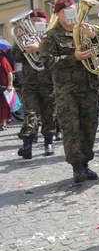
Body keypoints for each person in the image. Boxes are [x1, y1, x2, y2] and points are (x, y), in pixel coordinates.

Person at [39, 0, 99, 184]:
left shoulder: (82, 32)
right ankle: (77, 167)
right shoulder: (51, 36)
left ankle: (86, 163)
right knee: (72, 129)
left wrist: (94, 38)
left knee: (89, 127)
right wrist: (73, 57)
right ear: (57, 14)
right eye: (65, 10)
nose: (70, 13)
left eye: (72, 9)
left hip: (89, 87)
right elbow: (47, 62)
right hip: (67, 91)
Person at [12, 9, 56, 158]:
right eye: (33, 20)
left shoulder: (50, 35)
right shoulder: (23, 37)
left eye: (39, 20)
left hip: (49, 81)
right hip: (29, 82)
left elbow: (55, 53)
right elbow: (16, 57)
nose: (35, 22)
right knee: (31, 113)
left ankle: (48, 143)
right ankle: (27, 144)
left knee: (49, 113)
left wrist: (40, 47)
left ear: (46, 22)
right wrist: (23, 48)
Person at [0, 52, 13, 130]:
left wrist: (10, 84)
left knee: (4, 106)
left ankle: (3, 124)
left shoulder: (3, 60)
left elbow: (9, 72)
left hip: (3, 86)